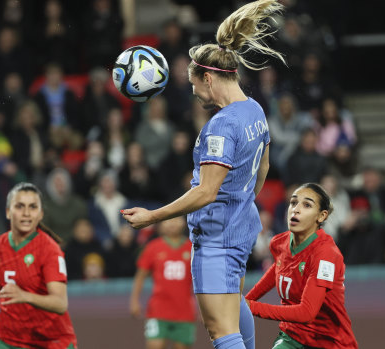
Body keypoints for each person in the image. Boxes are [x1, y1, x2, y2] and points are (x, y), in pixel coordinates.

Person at [122, 1, 286, 348]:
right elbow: (265, 167)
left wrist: (153, 216)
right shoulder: (254, 108)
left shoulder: (221, 126)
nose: (194, 93)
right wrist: (242, 204)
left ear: (208, 77)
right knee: (232, 306)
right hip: (241, 229)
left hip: (216, 239)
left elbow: (206, 192)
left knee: (220, 329)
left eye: (194, 84)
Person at [245, 183, 358, 348]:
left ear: (321, 216)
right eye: (293, 203)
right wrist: (246, 299)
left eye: (307, 205)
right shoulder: (279, 242)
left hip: (330, 342)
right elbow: (278, 267)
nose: (296, 209)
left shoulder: (326, 254)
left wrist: (250, 306)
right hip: (292, 337)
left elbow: (307, 312)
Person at [0, 182, 77, 349]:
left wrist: (24, 296)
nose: (26, 213)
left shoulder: (50, 250)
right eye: (19, 206)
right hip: (9, 340)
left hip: (51, 342)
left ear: (40, 214)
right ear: (7, 212)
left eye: (33, 207)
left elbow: (60, 303)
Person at [129, 216, 197, 349]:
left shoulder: (192, 247)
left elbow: (200, 280)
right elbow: (140, 276)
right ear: (160, 224)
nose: (172, 223)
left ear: (184, 223)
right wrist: (134, 301)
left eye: (177, 219)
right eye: (168, 220)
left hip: (184, 311)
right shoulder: (153, 247)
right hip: (158, 310)